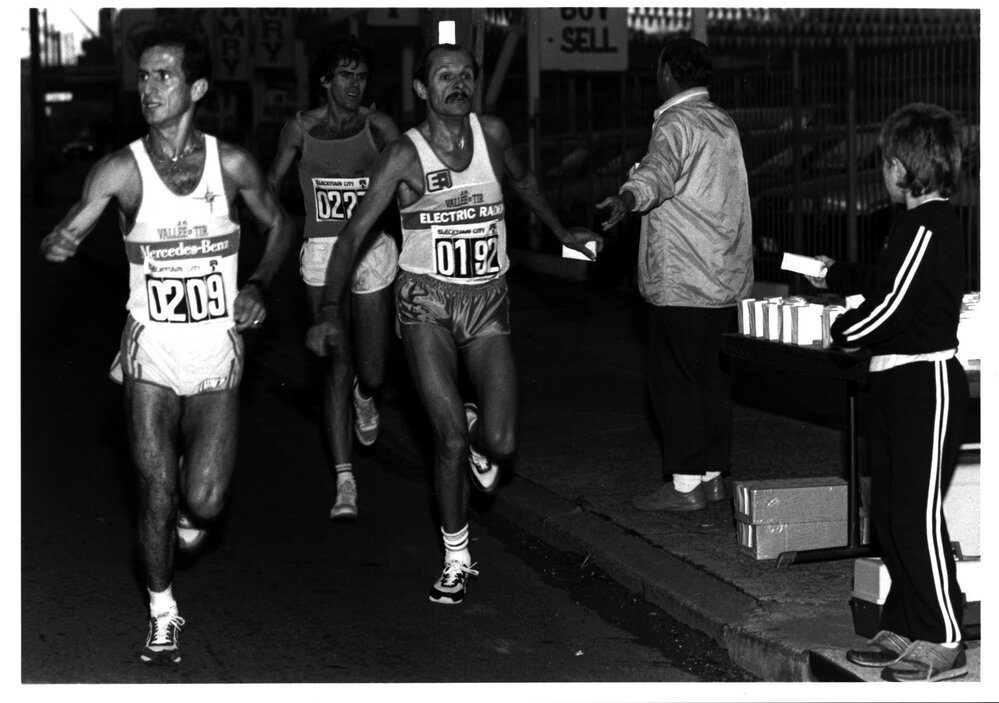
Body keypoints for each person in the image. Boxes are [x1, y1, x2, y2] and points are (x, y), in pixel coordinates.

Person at [306, 43, 602, 605]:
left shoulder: (492, 133)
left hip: (487, 299)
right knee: (445, 438)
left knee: (502, 440)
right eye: (445, 76)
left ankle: (477, 435)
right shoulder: (402, 156)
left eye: (466, 74)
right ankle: (457, 557)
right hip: (427, 304)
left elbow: (524, 182)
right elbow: (351, 237)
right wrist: (327, 308)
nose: (458, 83)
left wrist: (564, 234)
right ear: (423, 89)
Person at [40, 27, 295, 665]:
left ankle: (191, 511)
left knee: (203, 499)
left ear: (197, 87)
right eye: (144, 77)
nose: (148, 88)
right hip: (150, 349)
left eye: (164, 76)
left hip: (216, 350)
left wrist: (260, 281)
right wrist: (59, 244)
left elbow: (282, 225)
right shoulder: (119, 169)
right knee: (154, 487)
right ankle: (162, 611)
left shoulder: (231, 165)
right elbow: (65, 231)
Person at [801, 103, 969, 682]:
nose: (882, 172)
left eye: (885, 162)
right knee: (894, 513)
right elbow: (884, 281)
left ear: (903, 167)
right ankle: (907, 622)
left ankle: (945, 635)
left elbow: (892, 305)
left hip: (925, 383)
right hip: (896, 378)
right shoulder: (911, 227)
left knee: (917, 515)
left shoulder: (933, 224)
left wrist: (843, 330)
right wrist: (834, 276)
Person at [597, 37, 753, 513]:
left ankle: (685, 486)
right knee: (711, 380)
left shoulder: (675, 122)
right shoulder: (722, 121)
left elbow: (658, 173)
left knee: (674, 380)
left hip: (683, 278)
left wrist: (625, 198)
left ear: (667, 73)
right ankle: (712, 477)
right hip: (725, 279)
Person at [268, 36, 401, 520]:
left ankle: (369, 396)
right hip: (323, 254)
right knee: (336, 369)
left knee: (373, 371)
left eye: (361, 76)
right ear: (325, 80)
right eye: (345, 75)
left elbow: (411, 175)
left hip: (370, 250)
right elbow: (271, 183)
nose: (354, 84)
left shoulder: (378, 126)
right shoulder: (300, 129)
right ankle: (345, 480)